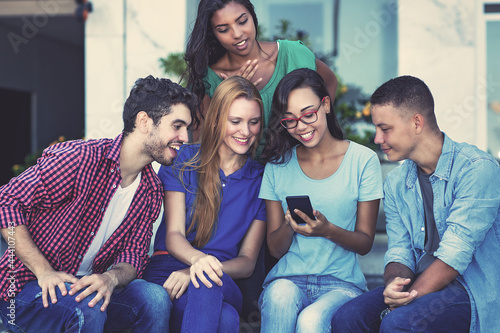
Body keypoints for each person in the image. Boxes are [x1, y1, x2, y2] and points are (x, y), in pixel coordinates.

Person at [0, 75, 197, 333]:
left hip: (89, 289)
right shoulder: (79, 158)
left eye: (187, 128)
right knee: (87, 307)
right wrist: (44, 271)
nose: (184, 137)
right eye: (177, 126)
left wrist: (110, 278)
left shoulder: (151, 190)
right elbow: (7, 201)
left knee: (155, 299)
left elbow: (134, 257)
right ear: (144, 121)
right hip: (28, 287)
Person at [332, 75, 500, 333]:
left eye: (385, 128)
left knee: (399, 322)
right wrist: (393, 286)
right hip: (420, 281)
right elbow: (399, 250)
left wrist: (401, 304)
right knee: (348, 318)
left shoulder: (477, 169)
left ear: (417, 123)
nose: (377, 138)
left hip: (471, 288)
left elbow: (454, 258)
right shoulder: (397, 181)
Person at [258, 68, 383, 332]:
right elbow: (275, 248)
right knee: (279, 295)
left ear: (325, 105)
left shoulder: (363, 160)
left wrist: (327, 231)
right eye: (290, 120)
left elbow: (364, 243)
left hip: (342, 285)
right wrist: (290, 225)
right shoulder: (277, 166)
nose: (301, 127)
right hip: (287, 279)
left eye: (308, 114)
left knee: (311, 320)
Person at [143, 76, 267, 332]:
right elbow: (174, 234)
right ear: (217, 119)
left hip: (224, 275)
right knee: (226, 320)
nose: (246, 131)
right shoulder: (184, 158)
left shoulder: (262, 180)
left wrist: (198, 270)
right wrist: (197, 261)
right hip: (168, 268)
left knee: (206, 283)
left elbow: (246, 262)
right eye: (236, 121)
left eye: (253, 122)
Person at [184, 0, 338, 143]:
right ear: (213, 34)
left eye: (243, 21)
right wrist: (231, 93)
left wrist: (313, 131)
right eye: (223, 29)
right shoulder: (209, 78)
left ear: (253, 16)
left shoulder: (293, 55)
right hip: (243, 171)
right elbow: (201, 141)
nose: (237, 34)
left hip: (297, 165)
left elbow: (330, 82)